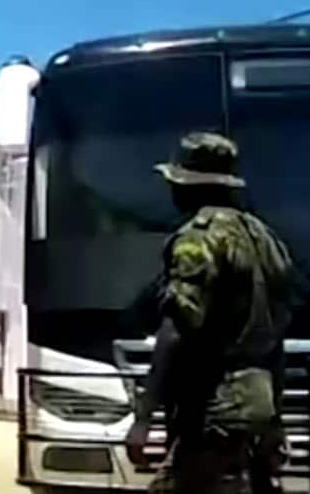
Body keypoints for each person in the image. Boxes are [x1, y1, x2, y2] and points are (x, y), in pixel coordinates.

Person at [125, 132, 294, 494]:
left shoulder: (198, 238)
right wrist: (276, 417)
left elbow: (177, 329)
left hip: (215, 407)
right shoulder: (266, 238)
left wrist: (143, 417)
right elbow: (277, 336)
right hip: (258, 405)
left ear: (190, 187)